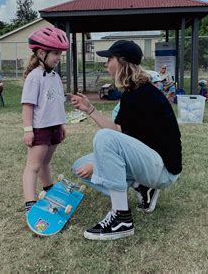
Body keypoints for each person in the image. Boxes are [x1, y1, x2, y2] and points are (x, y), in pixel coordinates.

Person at [70, 40, 182, 241]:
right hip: (150, 162)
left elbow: (115, 138)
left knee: (104, 139)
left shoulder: (143, 94)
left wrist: (98, 167)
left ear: (122, 62)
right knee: (80, 165)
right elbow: (119, 131)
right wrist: (89, 109)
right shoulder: (133, 92)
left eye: (109, 59)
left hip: (163, 169)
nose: (106, 64)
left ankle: (121, 218)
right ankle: (142, 187)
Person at [21, 27, 69, 213]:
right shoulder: (34, 77)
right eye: (56, 53)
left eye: (60, 53)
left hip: (54, 127)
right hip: (40, 129)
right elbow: (27, 105)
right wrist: (28, 129)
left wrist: (61, 124)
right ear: (41, 52)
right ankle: (30, 204)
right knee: (33, 166)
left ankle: (49, 190)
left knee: (46, 162)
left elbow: (57, 103)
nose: (59, 57)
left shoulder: (55, 76)